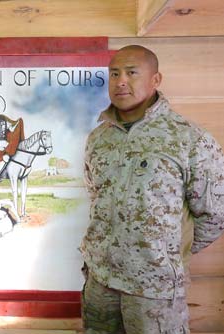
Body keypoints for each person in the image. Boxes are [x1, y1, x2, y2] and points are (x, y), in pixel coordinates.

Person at [80, 45, 224, 333]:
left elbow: (215, 214)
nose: (121, 81)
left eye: (132, 73)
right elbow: (95, 195)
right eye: (114, 73)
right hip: (100, 281)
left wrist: (166, 253)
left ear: (155, 80)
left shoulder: (188, 139)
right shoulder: (98, 138)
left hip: (153, 289)